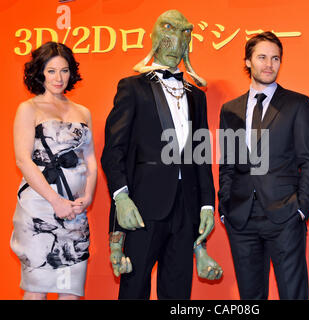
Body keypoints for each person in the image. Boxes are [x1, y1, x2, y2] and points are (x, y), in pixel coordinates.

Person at [101, 10, 222, 300]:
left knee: (178, 291)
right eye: (170, 32)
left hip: (186, 209)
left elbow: (200, 155)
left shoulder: (197, 96)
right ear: (156, 38)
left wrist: (207, 205)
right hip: (142, 206)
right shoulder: (132, 88)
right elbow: (113, 148)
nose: (176, 41)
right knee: (134, 287)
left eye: (183, 35)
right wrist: (121, 196)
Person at [218, 31, 309, 299]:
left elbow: (308, 160)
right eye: (262, 57)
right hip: (241, 217)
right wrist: (225, 205)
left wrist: (301, 209)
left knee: (293, 293)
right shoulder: (230, 109)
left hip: (285, 215)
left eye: (275, 58)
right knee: (250, 297)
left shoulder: (297, 104)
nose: (269, 64)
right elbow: (227, 163)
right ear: (248, 61)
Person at [10, 41, 97, 300]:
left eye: (64, 70)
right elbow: (23, 161)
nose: (59, 78)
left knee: (70, 290)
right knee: (36, 290)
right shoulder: (28, 108)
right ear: (40, 73)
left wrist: (88, 197)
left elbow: (90, 161)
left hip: (74, 211)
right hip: (39, 209)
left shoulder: (82, 111)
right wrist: (55, 201)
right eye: (51, 71)